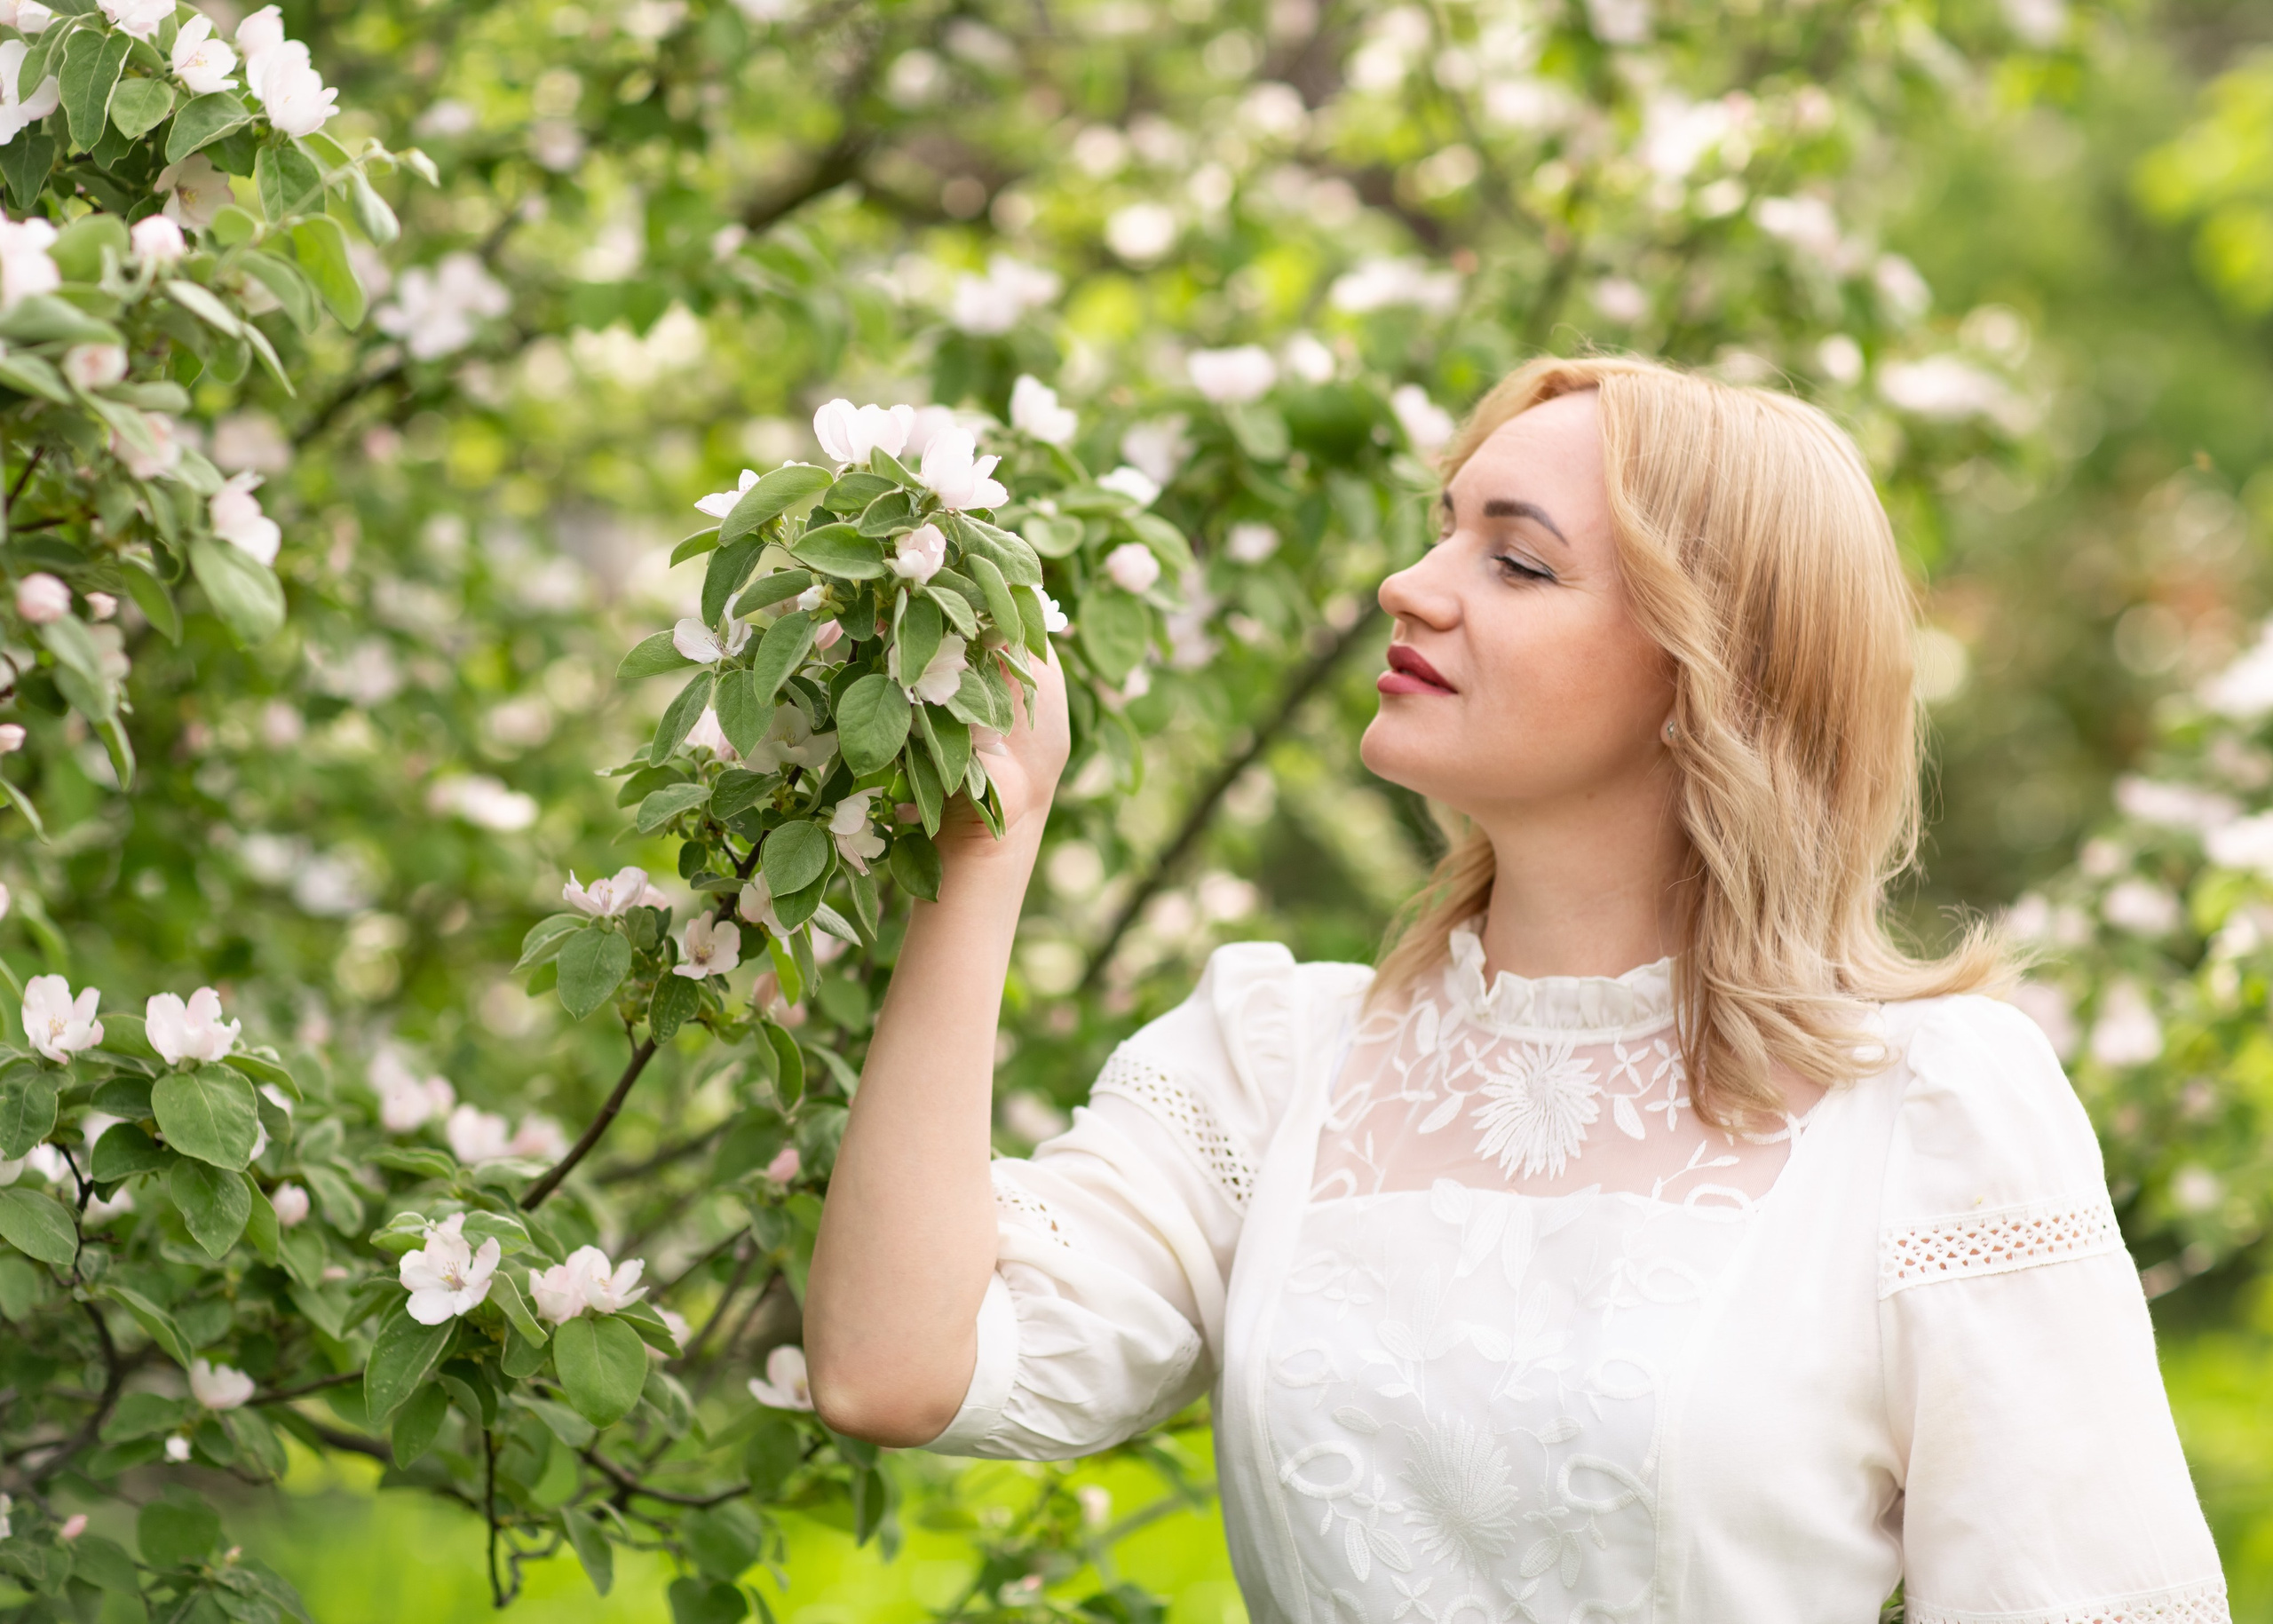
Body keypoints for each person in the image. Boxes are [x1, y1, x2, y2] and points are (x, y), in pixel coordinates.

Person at [803, 355, 2228, 1622]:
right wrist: (988, 848)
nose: (1410, 587)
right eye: (1443, 530)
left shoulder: (1930, 1114)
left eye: (1519, 562)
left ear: (1704, 676)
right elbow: (892, 1368)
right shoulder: (1274, 1060)